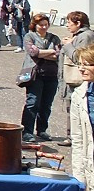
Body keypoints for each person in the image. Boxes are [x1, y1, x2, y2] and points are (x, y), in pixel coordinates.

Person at [19, 13, 62, 143]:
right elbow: (33, 52)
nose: (43, 27)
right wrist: (50, 52)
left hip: (51, 74)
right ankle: (27, 131)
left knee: (46, 104)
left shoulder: (54, 38)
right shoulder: (29, 36)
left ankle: (42, 129)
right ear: (35, 25)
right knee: (33, 102)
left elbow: (59, 54)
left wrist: (42, 53)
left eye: (45, 24)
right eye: (40, 25)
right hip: (35, 74)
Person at [60, 11, 94, 147]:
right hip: (74, 79)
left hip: (78, 79)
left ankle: (74, 137)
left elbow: (79, 58)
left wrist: (68, 45)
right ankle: (72, 136)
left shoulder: (85, 36)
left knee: (77, 108)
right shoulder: (78, 35)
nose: (67, 26)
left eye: (69, 22)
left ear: (78, 23)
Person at [66, 45, 94, 191]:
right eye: (80, 64)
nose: (81, 69)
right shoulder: (79, 95)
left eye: (87, 65)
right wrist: (79, 177)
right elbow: (77, 139)